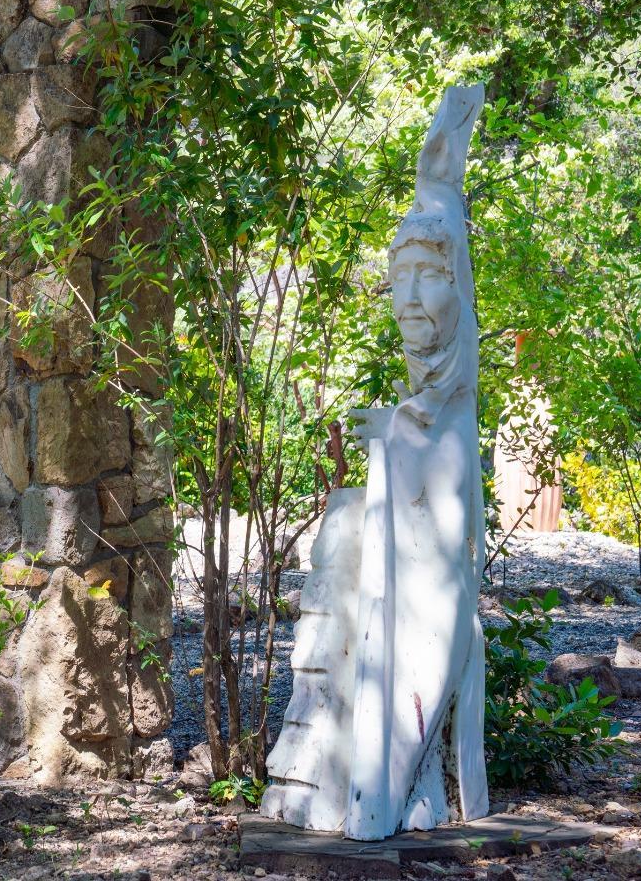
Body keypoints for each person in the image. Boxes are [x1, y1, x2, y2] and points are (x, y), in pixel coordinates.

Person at [259, 85, 489, 840]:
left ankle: (385, 791)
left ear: (457, 285)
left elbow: (440, 540)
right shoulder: (424, 393)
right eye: (400, 277)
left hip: (431, 608)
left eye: (431, 276)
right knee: (346, 522)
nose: (411, 298)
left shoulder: (453, 393)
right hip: (399, 589)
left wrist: (397, 435)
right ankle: (370, 787)